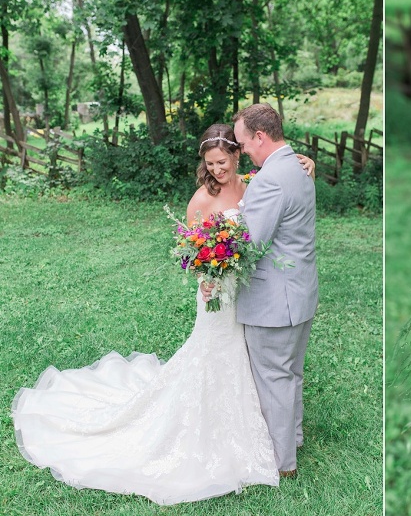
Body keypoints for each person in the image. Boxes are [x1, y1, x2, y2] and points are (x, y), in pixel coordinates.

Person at [11, 123, 315, 505]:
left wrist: (305, 162)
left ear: (238, 155)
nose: (218, 170)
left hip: (252, 292)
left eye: (223, 161)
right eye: (211, 164)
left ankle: (259, 428)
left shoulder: (256, 183)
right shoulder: (203, 198)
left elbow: (280, 190)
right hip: (218, 293)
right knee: (216, 356)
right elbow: (191, 249)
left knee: (252, 361)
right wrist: (205, 275)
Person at [228, 103, 319, 479]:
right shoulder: (298, 168)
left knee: (273, 377)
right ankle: (292, 437)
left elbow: (252, 243)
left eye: (244, 143)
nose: (243, 151)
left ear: (261, 137)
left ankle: (281, 463)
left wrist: (216, 243)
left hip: (274, 300)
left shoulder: (270, 178)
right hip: (299, 291)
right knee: (290, 372)